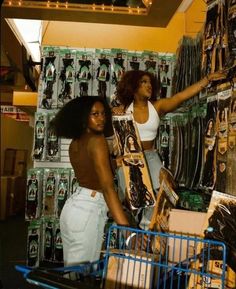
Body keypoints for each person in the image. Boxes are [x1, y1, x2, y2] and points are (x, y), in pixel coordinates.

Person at [112, 69, 226, 228]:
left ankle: (149, 235)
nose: (149, 85)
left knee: (159, 198)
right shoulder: (123, 110)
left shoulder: (157, 107)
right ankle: (132, 238)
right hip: (129, 161)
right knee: (131, 203)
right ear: (133, 86)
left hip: (151, 158)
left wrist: (207, 79)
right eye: (143, 82)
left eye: (150, 82)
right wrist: (115, 113)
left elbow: (180, 96)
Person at [50, 96, 132, 266]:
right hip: (89, 210)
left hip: (73, 208)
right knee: (81, 275)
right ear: (83, 117)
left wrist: (117, 162)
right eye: (95, 114)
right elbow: (108, 188)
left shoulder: (76, 143)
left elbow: (91, 168)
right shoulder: (97, 140)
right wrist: (127, 231)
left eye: (103, 113)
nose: (101, 118)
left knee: (72, 273)